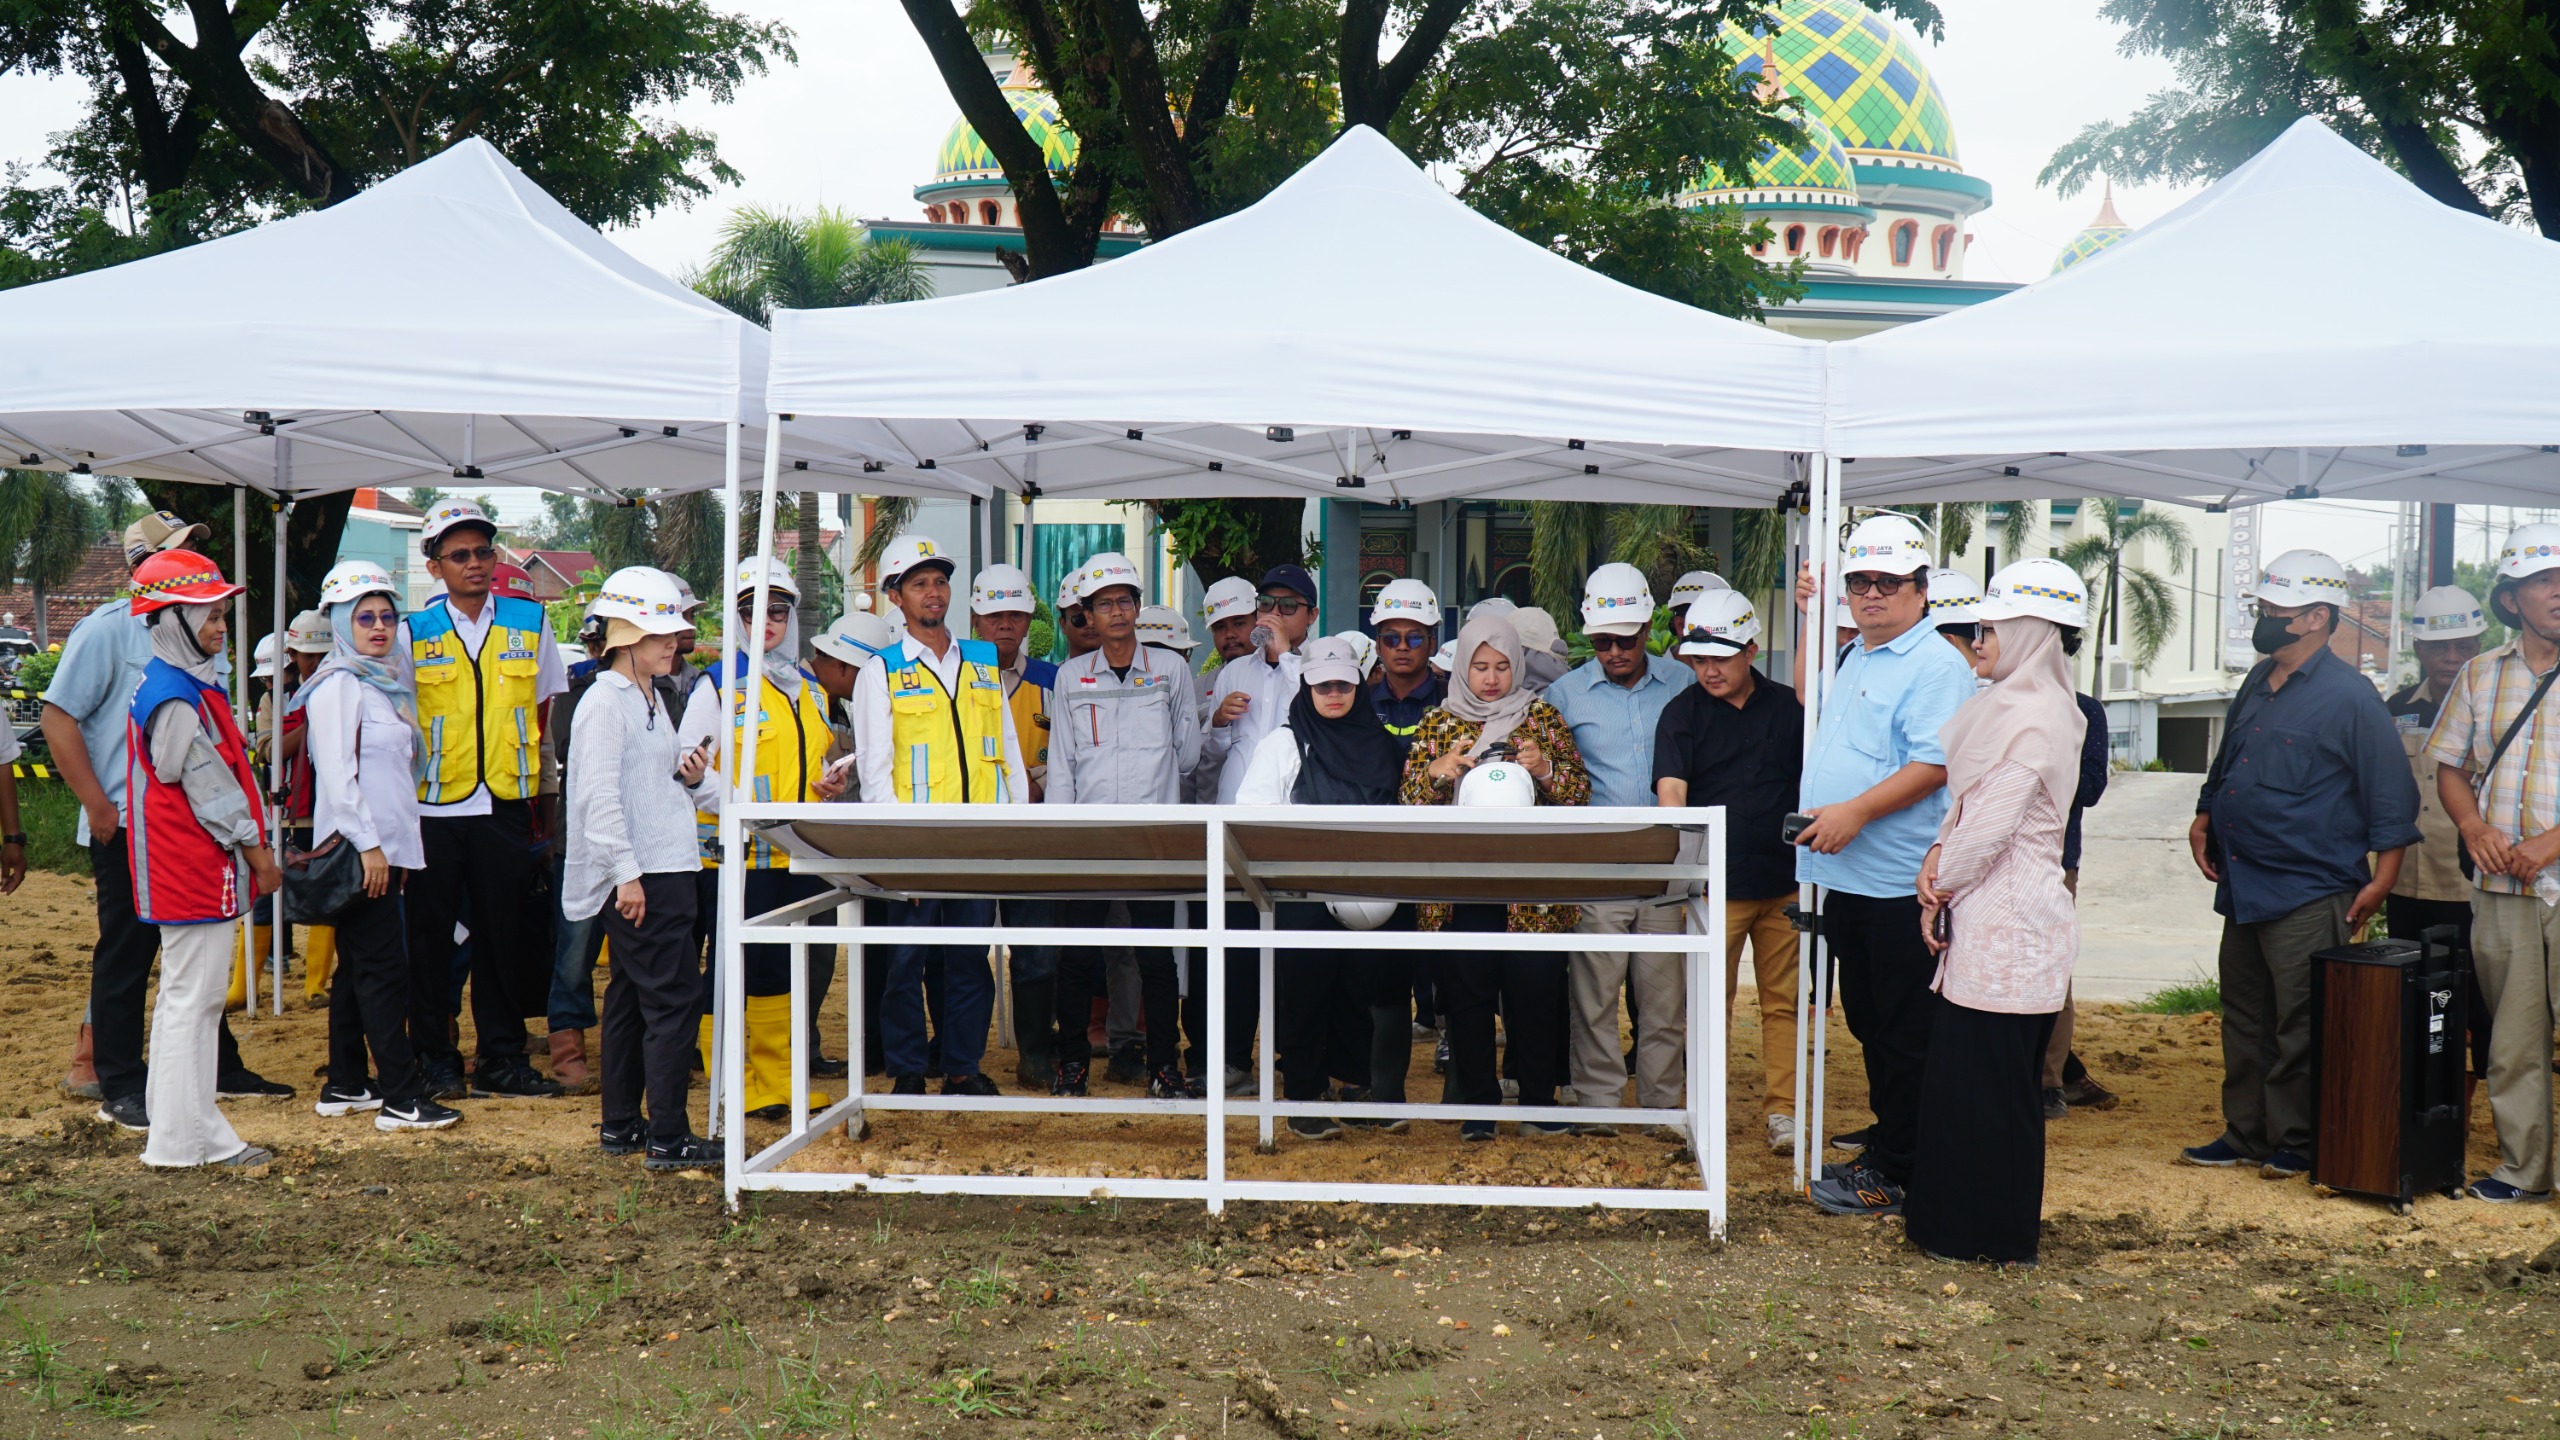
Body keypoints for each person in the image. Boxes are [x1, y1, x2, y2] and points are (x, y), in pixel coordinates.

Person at [42, 512, 290, 1126]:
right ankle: (119, 1079)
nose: (198, 563)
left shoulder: (201, 631)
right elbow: (57, 717)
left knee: (194, 952)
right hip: (129, 824)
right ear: (143, 569)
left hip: (189, 829)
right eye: (181, 552)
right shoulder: (107, 631)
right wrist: (98, 805)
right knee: (129, 951)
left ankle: (219, 1067)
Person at [2183, 547, 2419, 1179]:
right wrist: (2206, 813)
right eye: (2262, 605)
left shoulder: (2352, 697)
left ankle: (2297, 1139)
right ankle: (2246, 1133)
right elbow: (2228, 761)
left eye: (2276, 608)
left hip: (2311, 887)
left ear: (2317, 616)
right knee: (2246, 1012)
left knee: (2302, 1020)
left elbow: (2391, 795)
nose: (2264, 616)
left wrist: (2384, 880)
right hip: (2245, 881)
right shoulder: (2258, 681)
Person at [1794, 514, 1979, 1218]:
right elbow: (1812, 702)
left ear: (1920, 588)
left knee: (1905, 1031)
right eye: (1860, 582)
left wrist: (1856, 812)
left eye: (1888, 582)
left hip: (1897, 882)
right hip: (1846, 877)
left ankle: (1902, 1168)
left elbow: (1933, 765)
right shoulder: (1859, 655)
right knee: (1872, 1022)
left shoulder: (1933, 663)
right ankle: (1893, 1138)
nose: (1872, 593)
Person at [1907, 559, 2089, 1265]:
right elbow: (1967, 814)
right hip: (1984, 922)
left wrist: (1939, 880)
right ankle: (1951, 1226)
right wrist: (1937, 861)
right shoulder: (2014, 706)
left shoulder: (2037, 717)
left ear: (2028, 633)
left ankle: (1990, 1235)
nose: (1976, 640)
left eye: (1988, 628)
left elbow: (1990, 830)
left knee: (1993, 1093)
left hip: (2013, 931)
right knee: (1963, 1086)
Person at [399, 499, 568, 1101]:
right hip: (433, 810)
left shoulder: (531, 622)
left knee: (502, 938)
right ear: (436, 566)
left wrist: (542, 801)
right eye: (460, 555)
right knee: (430, 938)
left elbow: (543, 713)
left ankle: (502, 1058)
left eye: (483, 552)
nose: (475, 564)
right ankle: (435, 1059)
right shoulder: (409, 633)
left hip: (504, 804)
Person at [1400, 611, 1592, 1139]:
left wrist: (1545, 770)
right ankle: (1478, 1109)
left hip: (1531, 888)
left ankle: (1536, 1104)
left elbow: (1579, 794)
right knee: (1468, 1002)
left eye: (1503, 666)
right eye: (1480, 666)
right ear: (1463, 666)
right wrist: (1438, 776)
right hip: (1461, 889)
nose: (1490, 678)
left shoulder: (1541, 719)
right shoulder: (1438, 725)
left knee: (1534, 997)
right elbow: (1407, 805)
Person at [123, 550, 282, 1169]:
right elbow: (204, 783)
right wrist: (257, 850)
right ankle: (183, 1143)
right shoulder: (177, 694)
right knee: (197, 1001)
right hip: (194, 863)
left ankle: (182, 1134)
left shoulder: (174, 683)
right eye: (210, 615)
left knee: (184, 1000)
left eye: (219, 613)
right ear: (172, 619)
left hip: (182, 862)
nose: (220, 626)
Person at [853, 537, 1029, 1097]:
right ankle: (908, 1071)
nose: (934, 592)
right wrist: (895, 854)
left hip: (979, 840)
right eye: (920, 583)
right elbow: (876, 772)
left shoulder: (981, 661)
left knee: (970, 961)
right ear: (896, 598)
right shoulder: (880, 670)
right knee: (905, 962)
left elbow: (1006, 751)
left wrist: (1019, 826)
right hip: (916, 846)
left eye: (940, 582)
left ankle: (962, 1067)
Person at [678, 555, 843, 1119]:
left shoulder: (811, 687)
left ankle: (776, 1082)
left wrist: (828, 785)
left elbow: (812, 760)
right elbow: (689, 767)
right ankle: (734, 1081)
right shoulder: (719, 684)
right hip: (734, 855)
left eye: (778, 609)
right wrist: (743, 811)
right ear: (737, 617)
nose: (766, 620)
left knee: (778, 968)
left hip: (794, 855)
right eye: (752, 610)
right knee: (732, 968)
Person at [569, 567, 722, 1170]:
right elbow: (596, 798)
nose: (674, 640)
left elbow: (638, 784)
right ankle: (668, 1137)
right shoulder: (607, 702)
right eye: (661, 631)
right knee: (674, 1002)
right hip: (646, 875)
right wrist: (626, 874)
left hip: (660, 868)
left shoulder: (646, 694)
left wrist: (687, 772)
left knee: (634, 1001)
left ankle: (623, 1126)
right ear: (627, 634)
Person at [301, 561, 462, 1134]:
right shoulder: (339, 685)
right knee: (383, 973)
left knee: (356, 971)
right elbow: (340, 780)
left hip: (387, 852)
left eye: (387, 617)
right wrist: (371, 849)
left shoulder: (382, 681)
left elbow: (394, 780)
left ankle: (345, 1082)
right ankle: (401, 1096)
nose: (379, 628)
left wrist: (397, 853)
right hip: (359, 853)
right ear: (341, 622)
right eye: (365, 618)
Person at [2429, 529, 2560, 1202]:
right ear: (2512, 598)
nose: (2559, 590)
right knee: (2512, 1036)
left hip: (2554, 876)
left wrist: (2550, 843)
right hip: (2500, 887)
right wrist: (2473, 826)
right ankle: (2525, 1171)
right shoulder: (2482, 673)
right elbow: (2450, 767)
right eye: (2545, 580)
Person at [1046, 553, 1205, 1097]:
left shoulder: (1171, 671)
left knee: (1157, 958)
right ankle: (1072, 1066)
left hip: (1151, 837)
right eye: (1103, 604)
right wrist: (1061, 842)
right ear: (1086, 615)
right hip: (1088, 838)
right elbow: (1062, 764)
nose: (1116, 612)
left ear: (1138, 608)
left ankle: (1164, 1067)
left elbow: (1187, 759)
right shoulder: (1070, 676)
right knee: (1077, 956)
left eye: (1124, 601)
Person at [1546, 563, 1694, 1136]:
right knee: (1594, 996)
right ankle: (1598, 1108)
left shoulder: (1682, 684)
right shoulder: (1563, 694)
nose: (1613, 651)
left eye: (1625, 639)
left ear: (1647, 629)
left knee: (1663, 999)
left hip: (1666, 866)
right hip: (1598, 869)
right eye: (1602, 640)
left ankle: (1663, 1109)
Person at [1654, 590, 1804, 1153]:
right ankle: (1704, 1106)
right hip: (1719, 885)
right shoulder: (1682, 714)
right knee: (1709, 1000)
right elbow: (1672, 793)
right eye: (1698, 659)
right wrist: (1691, 866)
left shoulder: (1792, 708)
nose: (1708, 669)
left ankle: (1783, 1112)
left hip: (1785, 882)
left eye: (1719, 657)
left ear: (1751, 650)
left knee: (1782, 1002)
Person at [1239, 635, 1406, 1136]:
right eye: (1322, 685)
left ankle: (1357, 1088)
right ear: (1306, 687)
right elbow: (1251, 817)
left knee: (1363, 990)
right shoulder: (1283, 743)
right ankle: (1304, 1100)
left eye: (1343, 684)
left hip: (1369, 892)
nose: (1334, 693)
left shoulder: (1379, 742)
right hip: (1301, 892)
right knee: (1306, 994)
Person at [2388, 584, 2490, 1091]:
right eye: (2439, 647)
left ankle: (2480, 1114)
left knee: (2480, 1009)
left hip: (2473, 887)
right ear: (2418, 649)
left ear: (2480, 644)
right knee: (2419, 1007)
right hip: (2408, 884)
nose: (2451, 658)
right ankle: (2429, 1110)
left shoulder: (2500, 705)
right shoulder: (2398, 707)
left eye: (2464, 646)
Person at [967, 565, 1065, 1086]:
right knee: (965, 950)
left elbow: (1069, 754)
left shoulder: (1054, 680)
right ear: (976, 619)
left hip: (1035, 836)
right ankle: (961, 1058)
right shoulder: (958, 675)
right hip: (975, 836)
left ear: (1029, 619)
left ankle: (1034, 1054)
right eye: (994, 615)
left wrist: (1038, 779)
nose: (1005, 624)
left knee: (1036, 953)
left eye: (1015, 614)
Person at [2042, 684, 2114, 1117]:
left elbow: (2090, 787)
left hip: (2054, 858)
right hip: (1980, 856)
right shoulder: (1984, 700)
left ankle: (2051, 1080)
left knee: (2052, 968)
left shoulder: (2082, 709)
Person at [1366, 579, 1446, 751]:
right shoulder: (1361, 702)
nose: (1402, 646)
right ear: (1378, 645)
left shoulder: (1452, 700)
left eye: (1414, 638)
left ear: (1432, 644)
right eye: (1391, 638)